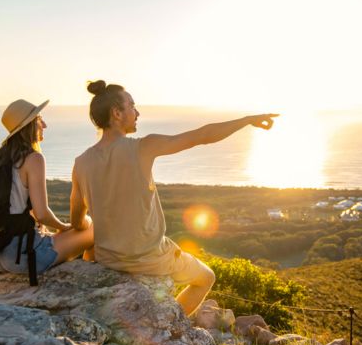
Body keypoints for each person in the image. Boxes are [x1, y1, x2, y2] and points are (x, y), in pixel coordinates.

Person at [70, 80, 278, 315]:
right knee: (206, 277)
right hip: (150, 257)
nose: (137, 113)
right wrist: (247, 120)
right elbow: (202, 135)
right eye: (132, 106)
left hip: (107, 259)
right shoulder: (143, 147)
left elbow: (77, 222)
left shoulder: (81, 163)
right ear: (117, 113)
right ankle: (171, 321)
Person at [0, 99, 95, 275]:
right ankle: (91, 279)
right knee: (91, 227)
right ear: (28, 125)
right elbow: (42, 214)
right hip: (21, 256)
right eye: (39, 119)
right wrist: (63, 226)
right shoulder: (33, 158)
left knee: (61, 235)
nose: (45, 125)